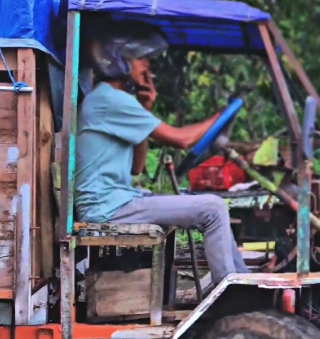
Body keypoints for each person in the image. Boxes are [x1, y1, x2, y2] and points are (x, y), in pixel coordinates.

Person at [74, 23, 247, 285]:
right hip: (106, 208)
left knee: (208, 206)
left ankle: (242, 282)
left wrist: (145, 107)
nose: (146, 66)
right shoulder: (110, 100)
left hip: (113, 202)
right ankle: (231, 290)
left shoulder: (110, 99)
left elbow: (136, 167)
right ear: (117, 61)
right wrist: (221, 116)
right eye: (140, 58)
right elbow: (183, 139)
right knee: (212, 208)